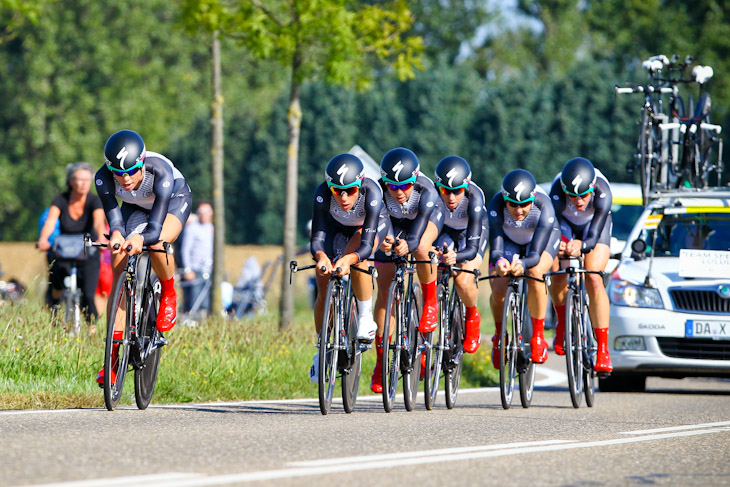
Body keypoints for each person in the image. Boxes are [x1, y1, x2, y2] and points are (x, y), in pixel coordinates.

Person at [94, 129, 192, 386]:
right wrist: (116, 235)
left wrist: (138, 239)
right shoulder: (103, 178)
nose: (124, 179)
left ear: (142, 163)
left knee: (158, 243)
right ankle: (112, 361)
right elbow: (115, 220)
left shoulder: (160, 172)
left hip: (171, 202)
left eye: (131, 171)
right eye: (118, 173)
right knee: (117, 262)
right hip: (135, 206)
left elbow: (154, 228)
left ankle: (169, 292)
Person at [309, 153, 388, 383]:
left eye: (350, 190)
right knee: (322, 275)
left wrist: (348, 259)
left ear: (360, 185)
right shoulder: (322, 193)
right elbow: (318, 237)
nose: (343, 197)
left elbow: (365, 246)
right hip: (335, 229)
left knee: (357, 260)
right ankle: (321, 348)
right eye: (337, 190)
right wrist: (322, 257)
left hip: (366, 230)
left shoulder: (371, 192)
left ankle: (365, 317)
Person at [372, 147, 441, 393]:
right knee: (384, 293)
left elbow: (419, 229)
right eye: (393, 186)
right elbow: (378, 223)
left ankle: (430, 301)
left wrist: (408, 245)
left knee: (422, 247)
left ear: (415, 179)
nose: (399, 192)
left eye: (405, 186)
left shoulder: (427, 190)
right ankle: (381, 361)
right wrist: (387, 241)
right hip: (392, 225)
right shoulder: (378, 191)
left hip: (423, 223)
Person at [487, 169, 560, 367]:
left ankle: (537, 336)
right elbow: (495, 249)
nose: (519, 211)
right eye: (513, 204)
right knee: (498, 285)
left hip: (539, 241)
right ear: (505, 199)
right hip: (509, 241)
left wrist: (522, 264)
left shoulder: (544, 205)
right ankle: (499, 335)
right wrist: (500, 262)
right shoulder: (496, 204)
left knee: (536, 273)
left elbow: (535, 255)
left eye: (524, 204)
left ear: (533, 199)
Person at [547, 157, 613, 373]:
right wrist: (562, 246)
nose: (578, 201)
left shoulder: (603, 191)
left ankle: (602, 348)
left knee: (593, 276)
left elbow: (594, 235)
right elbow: (553, 227)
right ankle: (562, 322)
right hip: (565, 225)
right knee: (557, 271)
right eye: (572, 196)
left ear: (592, 189)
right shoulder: (556, 191)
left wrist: (583, 245)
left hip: (593, 227)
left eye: (584, 195)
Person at [37, 162, 107, 321]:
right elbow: (50, 221)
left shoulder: (94, 201)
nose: (84, 184)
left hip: (87, 251)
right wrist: (43, 239)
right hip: (65, 251)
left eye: (87, 180)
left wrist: (102, 238)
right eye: (80, 179)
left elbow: (98, 222)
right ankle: (54, 309)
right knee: (57, 285)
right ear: (70, 181)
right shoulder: (61, 200)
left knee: (88, 295)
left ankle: (92, 332)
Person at [433, 156, 488, 353]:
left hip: (470, 234)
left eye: (457, 191)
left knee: (464, 280)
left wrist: (456, 257)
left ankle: (472, 316)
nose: (451, 197)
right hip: (444, 232)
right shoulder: (432, 193)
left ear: (466, 187)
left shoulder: (475, 197)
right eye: (446, 191)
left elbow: (472, 249)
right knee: (433, 272)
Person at [181, 201, 214, 314]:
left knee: (208, 302)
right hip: (195, 270)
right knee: (194, 302)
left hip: (209, 270)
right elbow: (185, 250)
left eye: (206, 211)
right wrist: (188, 269)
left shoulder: (212, 228)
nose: (204, 214)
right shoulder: (192, 228)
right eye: (201, 212)